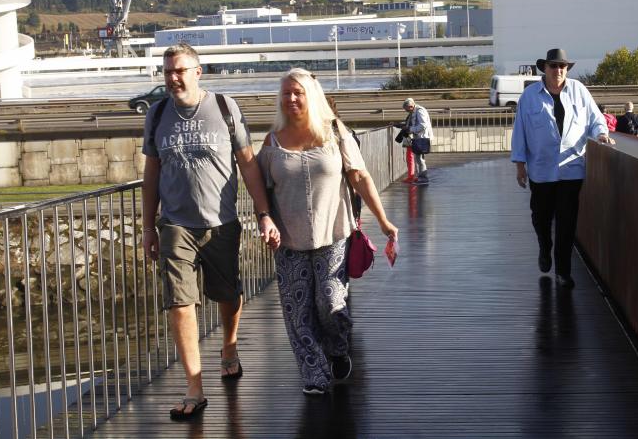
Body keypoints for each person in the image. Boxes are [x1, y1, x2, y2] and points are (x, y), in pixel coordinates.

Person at [142, 43, 280, 420]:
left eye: (180, 70)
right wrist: (148, 228)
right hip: (174, 225)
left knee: (228, 294)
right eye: (168, 71)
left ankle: (230, 347)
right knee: (180, 304)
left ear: (198, 72)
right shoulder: (156, 116)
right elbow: (151, 174)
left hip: (221, 223)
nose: (173, 78)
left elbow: (249, 164)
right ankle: (194, 388)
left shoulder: (224, 108)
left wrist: (263, 213)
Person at [257, 68, 398, 395]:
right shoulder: (273, 141)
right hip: (289, 240)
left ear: (311, 96)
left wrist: (383, 220)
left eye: (298, 93)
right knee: (297, 312)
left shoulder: (335, 132)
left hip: (332, 235)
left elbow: (360, 177)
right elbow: (261, 189)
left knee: (330, 303)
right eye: (286, 93)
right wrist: (264, 218)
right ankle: (314, 376)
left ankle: (337, 347)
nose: (291, 99)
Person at [511, 48, 612, 289]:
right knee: (541, 218)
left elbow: (596, 119)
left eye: (562, 67)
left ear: (567, 69)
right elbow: (520, 132)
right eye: (553, 66)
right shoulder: (530, 96)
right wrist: (520, 165)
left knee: (567, 223)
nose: (558, 71)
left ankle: (563, 272)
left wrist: (602, 134)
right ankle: (545, 247)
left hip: (571, 170)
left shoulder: (579, 91)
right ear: (544, 69)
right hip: (541, 170)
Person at [402, 97, 434, 184]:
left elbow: (423, 125)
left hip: (422, 137)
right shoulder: (415, 111)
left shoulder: (420, 111)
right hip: (419, 137)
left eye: (407, 109)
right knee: (418, 158)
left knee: (420, 159)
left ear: (411, 106)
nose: (407, 111)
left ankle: (423, 179)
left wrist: (411, 129)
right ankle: (420, 177)